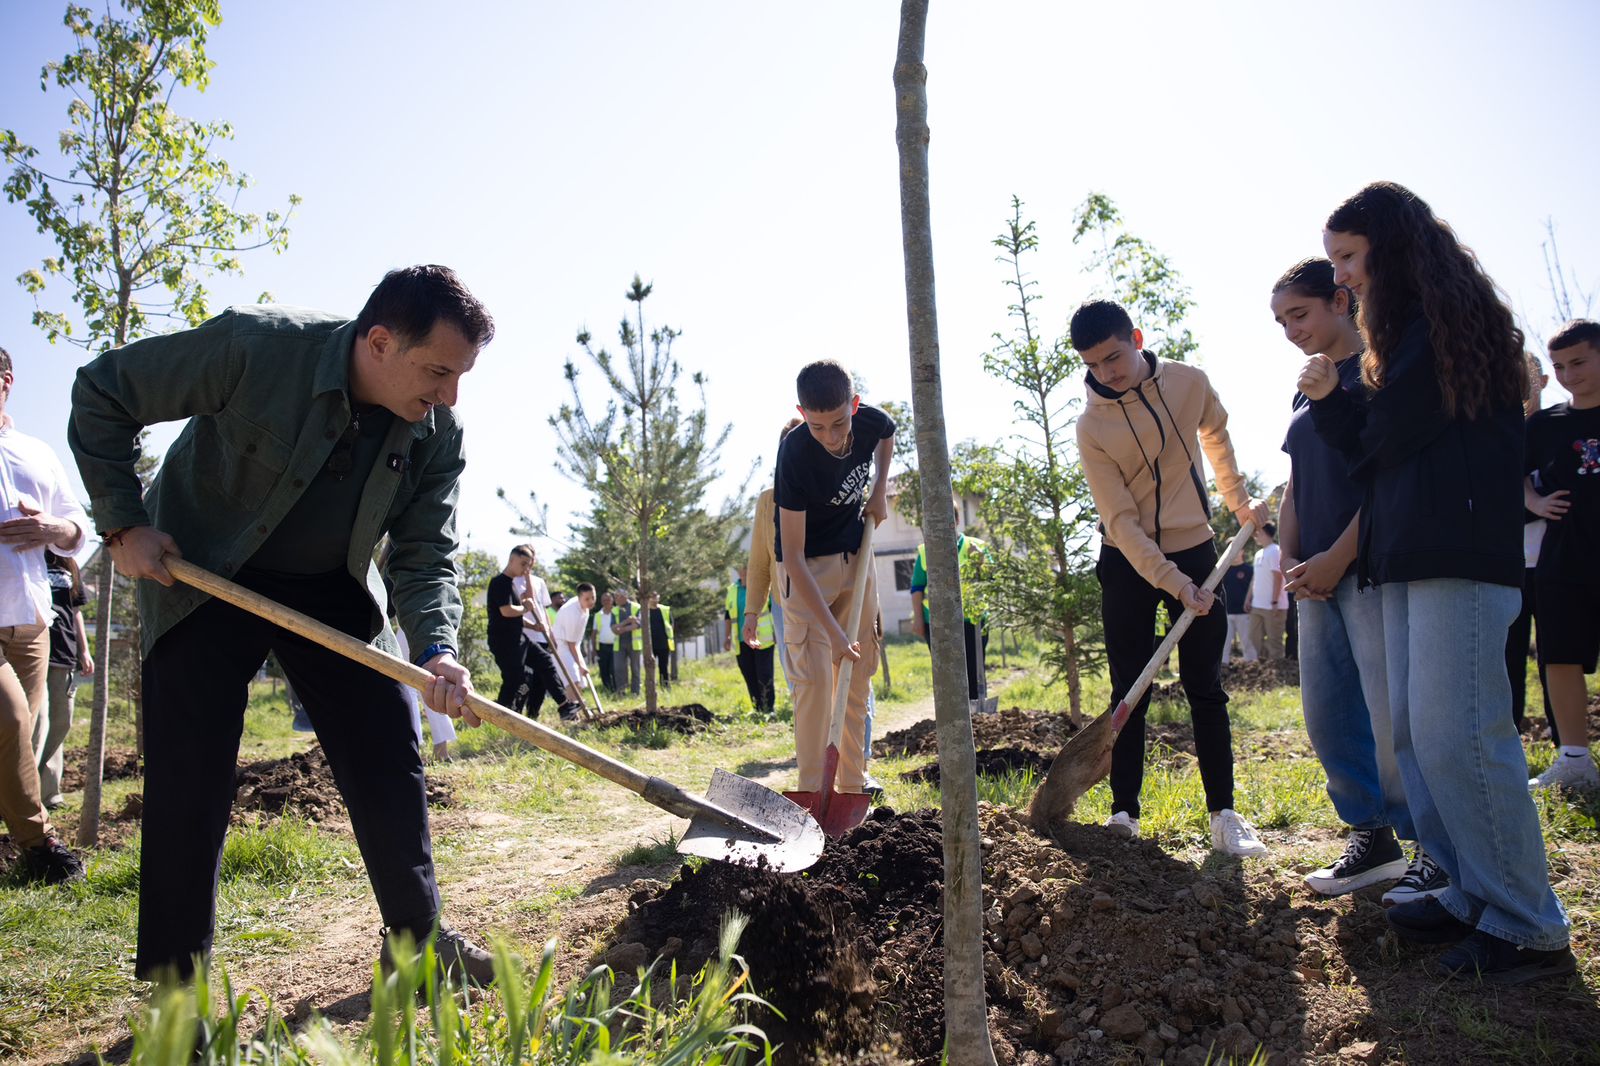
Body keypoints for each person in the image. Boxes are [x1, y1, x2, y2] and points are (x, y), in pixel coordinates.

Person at [68, 265, 497, 981]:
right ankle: (177, 993)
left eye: (460, 377)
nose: (448, 396)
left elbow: (425, 555)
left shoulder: (435, 433)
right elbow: (104, 389)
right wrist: (122, 525)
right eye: (437, 371)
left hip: (332, 589)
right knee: (191, 777)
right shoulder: (255, 348)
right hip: (205, 572)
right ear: (381, 342)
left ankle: (417, 946)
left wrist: (437, 648)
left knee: (388, 747)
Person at [1303, 181, 1573, 983]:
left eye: (1349, 258)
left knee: (1465, 736)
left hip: (1457, 553)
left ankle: (1526, 923)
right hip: (1411, 557)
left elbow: (1378, 440)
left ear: (1393, 247)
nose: (1342, 276)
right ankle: (1466, 886)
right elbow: (1376, 449)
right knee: (1420, 736)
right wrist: (1333, 405)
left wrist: (1333, 404)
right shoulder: (1406, 339)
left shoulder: (1443, 330)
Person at [1071, 299, 1271, 857]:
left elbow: (1217, 432)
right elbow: (1122, 522)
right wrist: (1172, 582)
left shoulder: (1189, 383)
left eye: (1113, 357)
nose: (1107, 373)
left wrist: (1237, 501)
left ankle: (1224, 815)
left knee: (1205, 686)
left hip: (1199, 549)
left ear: (1135, 337)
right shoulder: (1092, 428)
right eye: (1094, 365)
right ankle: (1123, 815)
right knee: (1128, 689)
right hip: (1129, 563)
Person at [1270, 258, 1426, 900]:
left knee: (1392, 718)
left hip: (1369, 568)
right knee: (1328, 713)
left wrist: (1338, 556)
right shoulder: (1308, 385)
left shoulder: (1381, 372)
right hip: (1315, 582)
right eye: (1280, 321)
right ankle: (1371, 837)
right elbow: (1296, 488)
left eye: (1298, 314)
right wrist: (1290, 562)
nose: (1289, 330)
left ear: (1341, 300)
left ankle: (1427, 848)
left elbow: (1390, 480)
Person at [774, 360, 893, 796]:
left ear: (854, 406)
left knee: (857, 678)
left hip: (857, 558)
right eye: (818, 426)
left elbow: (887, 433)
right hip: (808, 569)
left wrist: (879, 489)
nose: (831, 435)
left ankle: (851, 789)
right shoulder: (795, 455)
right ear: (802, 413)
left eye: (839, 423)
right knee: (817, 686)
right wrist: (833, 633)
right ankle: (810, 796)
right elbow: (793, 554)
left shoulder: (868, 421)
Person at [0, 345, 90, 883]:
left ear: (5, 381)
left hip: (32, 620)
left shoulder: (35, 452)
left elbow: (78, 526)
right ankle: (39, 846)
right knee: (9, 721)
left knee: (21, 734)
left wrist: (54, 531)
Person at [1524, 319, 1600, 790]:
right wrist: (1533, 503)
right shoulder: (1544, 425)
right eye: (1559, 366)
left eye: (1579, 362)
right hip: (1564, 560)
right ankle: (1575, 761)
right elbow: (1512, 475)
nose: (1569, 374)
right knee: (1560, 658)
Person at [1507, 353, 1554, 734]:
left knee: (1555, 653)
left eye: (1528, 377)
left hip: (1556, 560)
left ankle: (1564, 738)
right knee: (1508, 653)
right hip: (1507, 562)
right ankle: (1509, 730)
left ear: (1544, 380)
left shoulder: (1556, 430)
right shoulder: (1496, 430)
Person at [745, 419, 803, 701]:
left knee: (843, 679)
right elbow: (759, 562)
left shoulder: (830, 494)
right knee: (798, 684)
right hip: (785, 606)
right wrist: (752, 612)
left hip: (830, 600)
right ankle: (812, 746)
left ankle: (856, 747)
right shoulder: (768, 501)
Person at [909, 517, 995, 702]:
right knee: (946, 674)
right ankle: (951, 720)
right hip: (937, 623)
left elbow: (992, 580)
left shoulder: (976, 546)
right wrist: (917, 619)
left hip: (972, 621)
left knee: (974, 671)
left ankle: (977, 717)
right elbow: (917, 587)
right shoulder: (925, 551)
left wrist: (980, 559)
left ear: (955, 520)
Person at [35, 552, 93, 807]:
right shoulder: (21, 552)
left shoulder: (67, 562)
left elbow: (75, 610)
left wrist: (84, 650)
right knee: (34, 723)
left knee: (60, 722)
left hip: (63, 652)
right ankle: (19, 795)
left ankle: (48, 794)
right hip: (28, 651)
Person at [512, 550, 582, 722]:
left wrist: (549, 633)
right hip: (524, 635)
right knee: (525, 680)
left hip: (541, 636)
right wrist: (526, 578)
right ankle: (516, 714)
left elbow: (542, 609)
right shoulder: (513, 581)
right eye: (525, 561)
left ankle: (533, 714)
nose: (529, 564)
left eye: (532, 560)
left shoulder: (539, 581)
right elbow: (525, 600)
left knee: (542, 681)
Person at [728, 566, 776, 714]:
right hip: (741, 640)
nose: (744, 571)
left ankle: (768, 708)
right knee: (749, 674)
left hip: (762, 638)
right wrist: (726, 636)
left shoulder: (761, 588)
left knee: (764, 673)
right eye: (741, 568)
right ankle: (757, 708)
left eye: (747, 567)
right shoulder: (732, 590)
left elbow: (774, 609)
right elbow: (727, 615)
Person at [1247, 523, 1289, 661]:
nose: (1255, 536)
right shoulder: (1259, 553)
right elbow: (1255, 578)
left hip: (1273, 606)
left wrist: (1275, 601)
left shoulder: (1275, 551)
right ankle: (1265, 665)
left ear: (1265, 533)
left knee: (1274, 640)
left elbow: (1278, 577)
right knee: (1254, 636)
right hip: (1257, 605)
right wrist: (1248, 599)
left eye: (1257, 532)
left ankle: (1278, 670)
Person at [553, 583, 598, 708]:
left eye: (593, 597)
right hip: (561, 645)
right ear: (579, 598)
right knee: (573, 679)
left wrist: (581, 665)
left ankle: (578, 707)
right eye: (587, 599)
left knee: (580, 679)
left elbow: (575, 643)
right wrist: (580, 665)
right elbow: (571, 644)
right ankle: (572, 710)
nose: (591, 602)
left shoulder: (584, 608)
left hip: (573, 645)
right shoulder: (571, 612)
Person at [1220, 546, 1254, 662]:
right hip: (1226, 612)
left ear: (1242, 551)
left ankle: (1251, 665)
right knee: (1224, 642)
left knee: (1247, 641)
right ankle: (1223, 665)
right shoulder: (1223, 570)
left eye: (1236, 548)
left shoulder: (1249, 570)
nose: (1234, 552)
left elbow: (1253, 590)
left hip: (1244, 612)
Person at [610, 589, 642, 697]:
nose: (615, 599)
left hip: (634, 644)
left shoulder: (636, 607)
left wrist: (622, 628)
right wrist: (627, 622)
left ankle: (635, 692)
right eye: (615, 597)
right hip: (619, 644)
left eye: (617, 597)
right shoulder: (614, 610)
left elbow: (638, 624)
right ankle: (621, 692)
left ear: (624, 596)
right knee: (619, 668)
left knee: (635, 669)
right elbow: (614, 629)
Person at [646, 592, 675, 690]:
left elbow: (671, 625)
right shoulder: (645, 611)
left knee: (664, 667)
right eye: (652, 597)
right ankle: (651, 688)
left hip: (664, 644)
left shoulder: (665, 609)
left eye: (655, 597)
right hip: (650, 645)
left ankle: (665, 687)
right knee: (650, 668)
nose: (654, 599)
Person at [593, 591, 616, 693]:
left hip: (616, 646)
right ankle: (607, 689)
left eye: (608, 600)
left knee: (614, 668)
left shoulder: (617, 612)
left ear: (612, 600)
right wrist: (593, 649)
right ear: (601, 602)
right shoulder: (598, 615)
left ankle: (616, 688)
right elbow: (594, 633)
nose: (606, 602)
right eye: (604, 600)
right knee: (604, 669)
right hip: (602, 647)